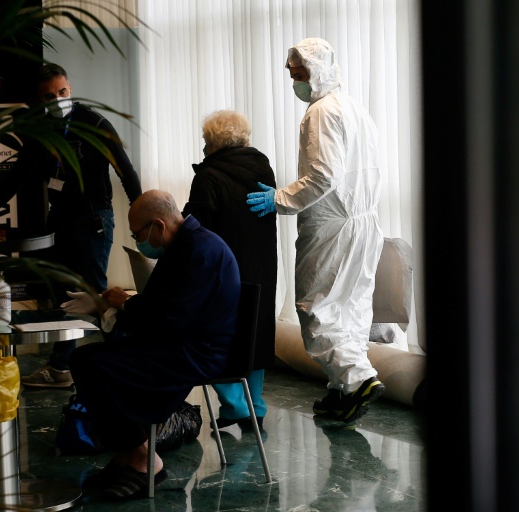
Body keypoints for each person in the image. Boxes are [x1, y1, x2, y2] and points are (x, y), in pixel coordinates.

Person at [0, 63, 142, 388]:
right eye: (50, 96)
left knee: (98, 296)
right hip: (60, 221)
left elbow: (125, 172)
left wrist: (141, 219)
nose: (57, 99)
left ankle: (125, 367)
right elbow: (16, 176)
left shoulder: (95, 123)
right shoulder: (43, 130)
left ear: (70, 90)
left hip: (93, 220)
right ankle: (62, 368)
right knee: (66, 296)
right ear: (40, 100)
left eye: (62, 93)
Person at [246, 37, 385, 423]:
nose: (296, 82)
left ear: (318, 70)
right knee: (351, 308)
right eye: (292, 75)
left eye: (300, 74)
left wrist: (279, 199)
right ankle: (342, 391)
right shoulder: (352, 107)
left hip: (332, 225)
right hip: (363, 222)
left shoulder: (321, 113)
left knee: (316, 307)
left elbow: (323, 177)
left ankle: (356, 379)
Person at [68, 189, 241, 500]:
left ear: (159, 226)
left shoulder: (200, 252)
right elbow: (161, 309)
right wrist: (109, 308)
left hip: (196, 352)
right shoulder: (183, 246)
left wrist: (123, 306)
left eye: (138, 234)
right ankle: (126, 455)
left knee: (98, 366)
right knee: (85, 360)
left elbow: (170, 320)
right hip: (176, 342)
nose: (138, 241)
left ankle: (144, 459)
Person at [182, 109, 277, 431]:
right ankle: (256, 406)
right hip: (262, 266)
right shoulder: (262, 167)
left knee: (219, 334)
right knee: (256, 332)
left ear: (212, 141)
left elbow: (194, 225)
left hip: (224, 269)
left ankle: (236, 406)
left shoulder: (209, 176)